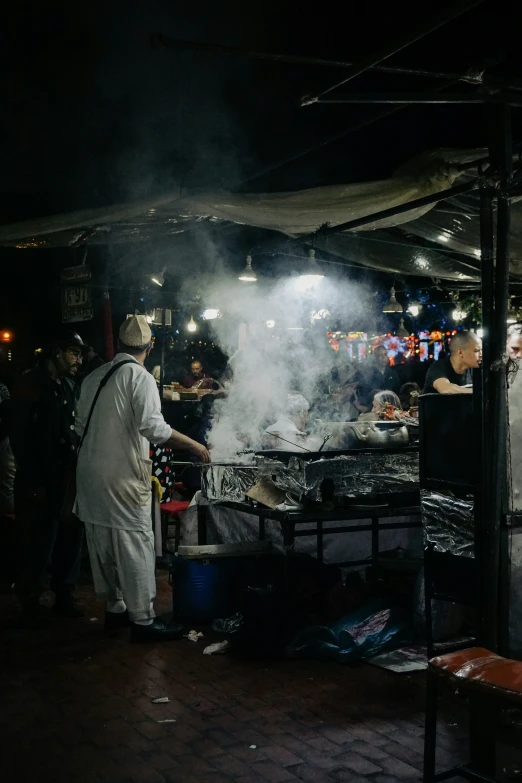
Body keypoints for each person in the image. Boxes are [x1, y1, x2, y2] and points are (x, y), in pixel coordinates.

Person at [75, 315, 210, 642]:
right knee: (135, 542)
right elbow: (155, 429)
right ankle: (144, 621)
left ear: (121, 344)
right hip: (121, 477)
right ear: (149, 346)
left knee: (103, 541)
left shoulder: (94, 376)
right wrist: (196, 446)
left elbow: (79, 427)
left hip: (89, 475)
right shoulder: (140, 377)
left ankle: (116, 609)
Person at [11, 330, 85, 626]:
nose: (78, 359)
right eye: (73, 352)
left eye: (80, 354)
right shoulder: (30, 384)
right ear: (57, 352)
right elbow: (21, 436)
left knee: (70, 536)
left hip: (65, 477)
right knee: (37, 541)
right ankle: (30, 600)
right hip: (38, 479)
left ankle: (64, 594)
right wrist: (34, 479)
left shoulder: (68, 386)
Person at [357, 346, 400, 413]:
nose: (383, 358)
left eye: (385, 354)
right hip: (372, 411)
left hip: (390, 410)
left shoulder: (392, 373)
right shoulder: (368, 374)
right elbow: (362, 398)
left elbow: (397, 393)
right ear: (375, 358)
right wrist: (372, 394)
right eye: (380, 355)